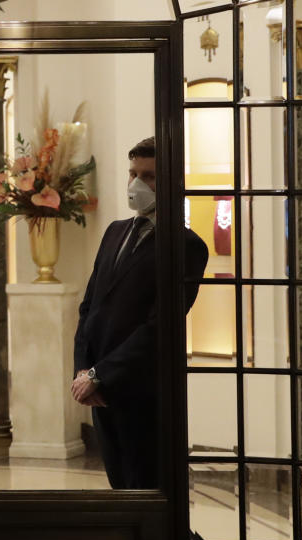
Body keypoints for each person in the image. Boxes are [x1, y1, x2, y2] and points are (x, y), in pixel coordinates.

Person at [71, 137, 208, 490]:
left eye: (148, 176)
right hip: (100, 389)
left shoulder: (186, 245)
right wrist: (84, 369)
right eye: (133, 173)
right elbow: (90, 307)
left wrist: (102, 374)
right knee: (119, 486)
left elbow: (160, 325)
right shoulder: (115, 232)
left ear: (171, 181)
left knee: (145, 488)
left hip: (142, 390)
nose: (136, 184)